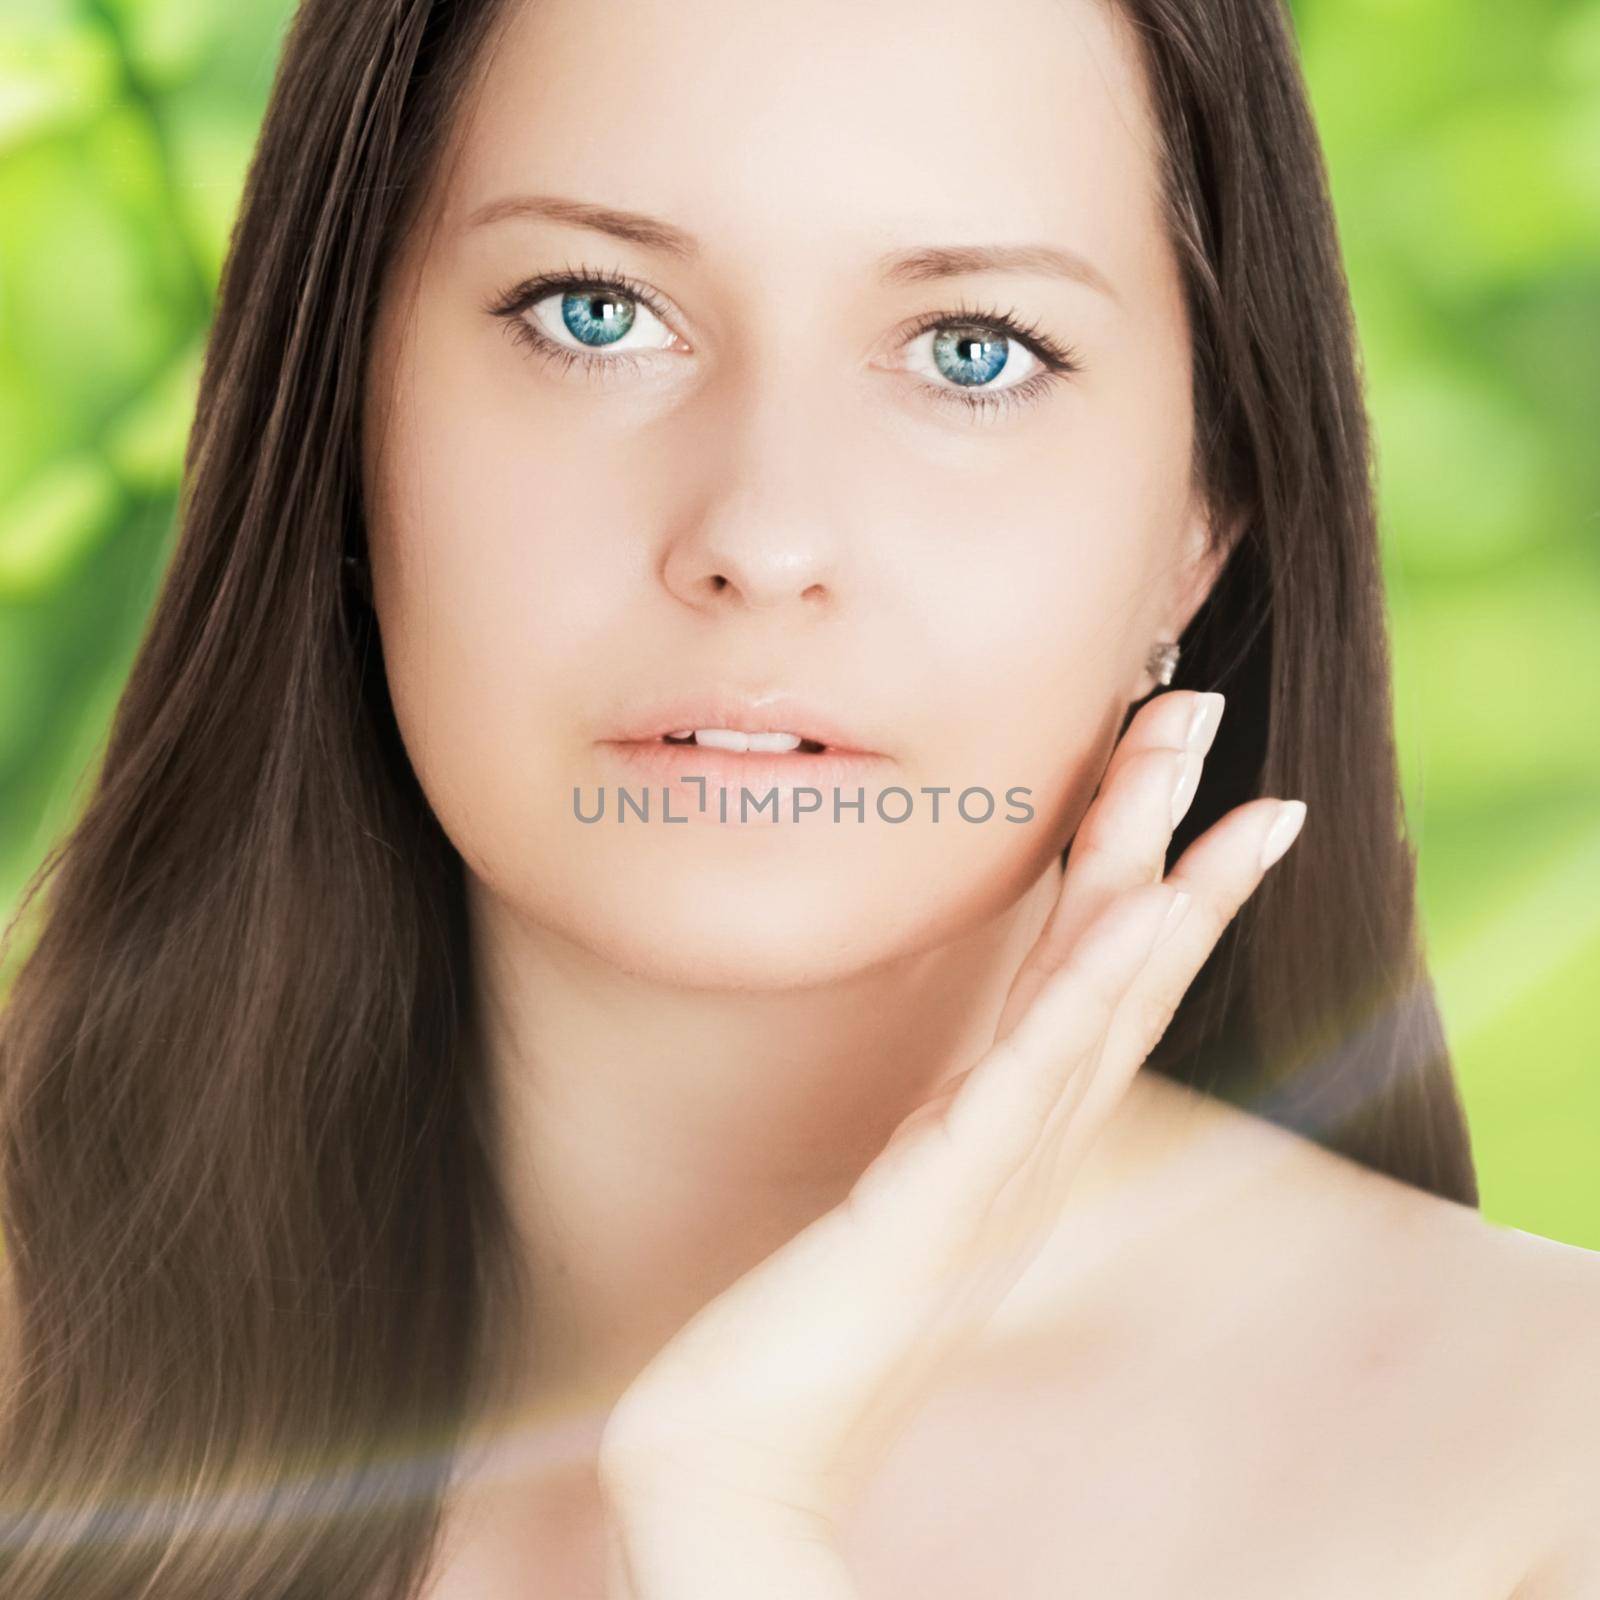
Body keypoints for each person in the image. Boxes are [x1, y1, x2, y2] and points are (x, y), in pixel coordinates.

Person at [1, 0, 1595, 1595]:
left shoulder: (1539, 1471)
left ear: (1206, 511)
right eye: (596, 314)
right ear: (344, 413)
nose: (761, 537)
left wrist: (732, 1512)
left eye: (974, 351)